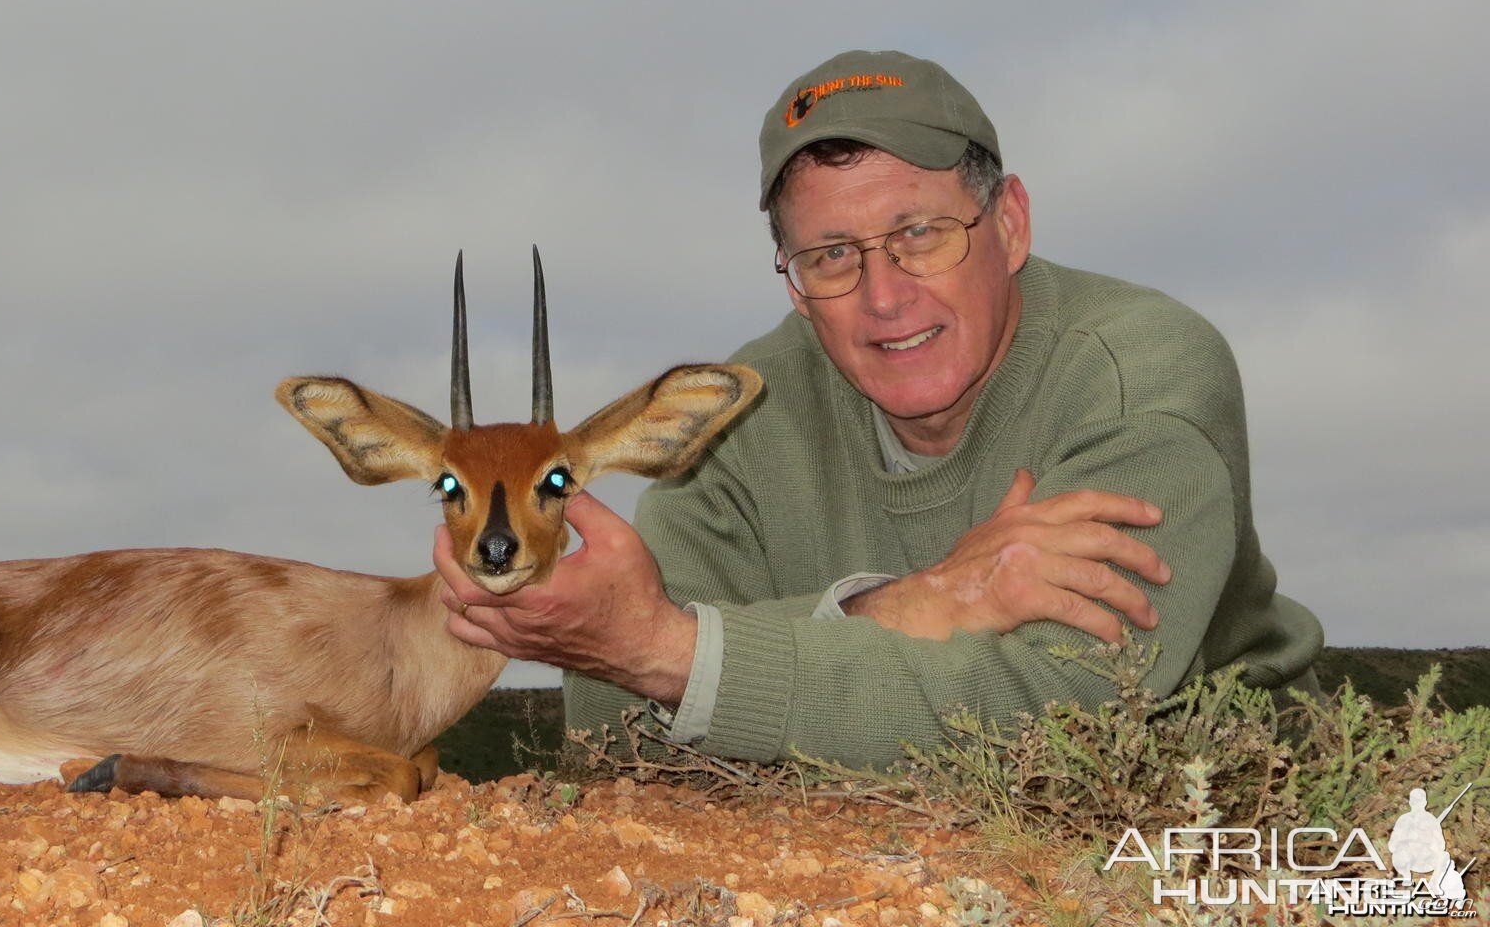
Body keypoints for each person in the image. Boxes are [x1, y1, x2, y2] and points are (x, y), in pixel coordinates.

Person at [434, 48, 1323, 768]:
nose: (883, 296)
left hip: (1207, 814)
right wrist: (918, 602)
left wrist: (684, 657)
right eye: (830, 254)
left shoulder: (1140, 374)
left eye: (919, 234)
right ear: (791, 282)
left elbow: (1067, 713)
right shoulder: (746, 413)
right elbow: (615, 722)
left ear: (1009, 223)